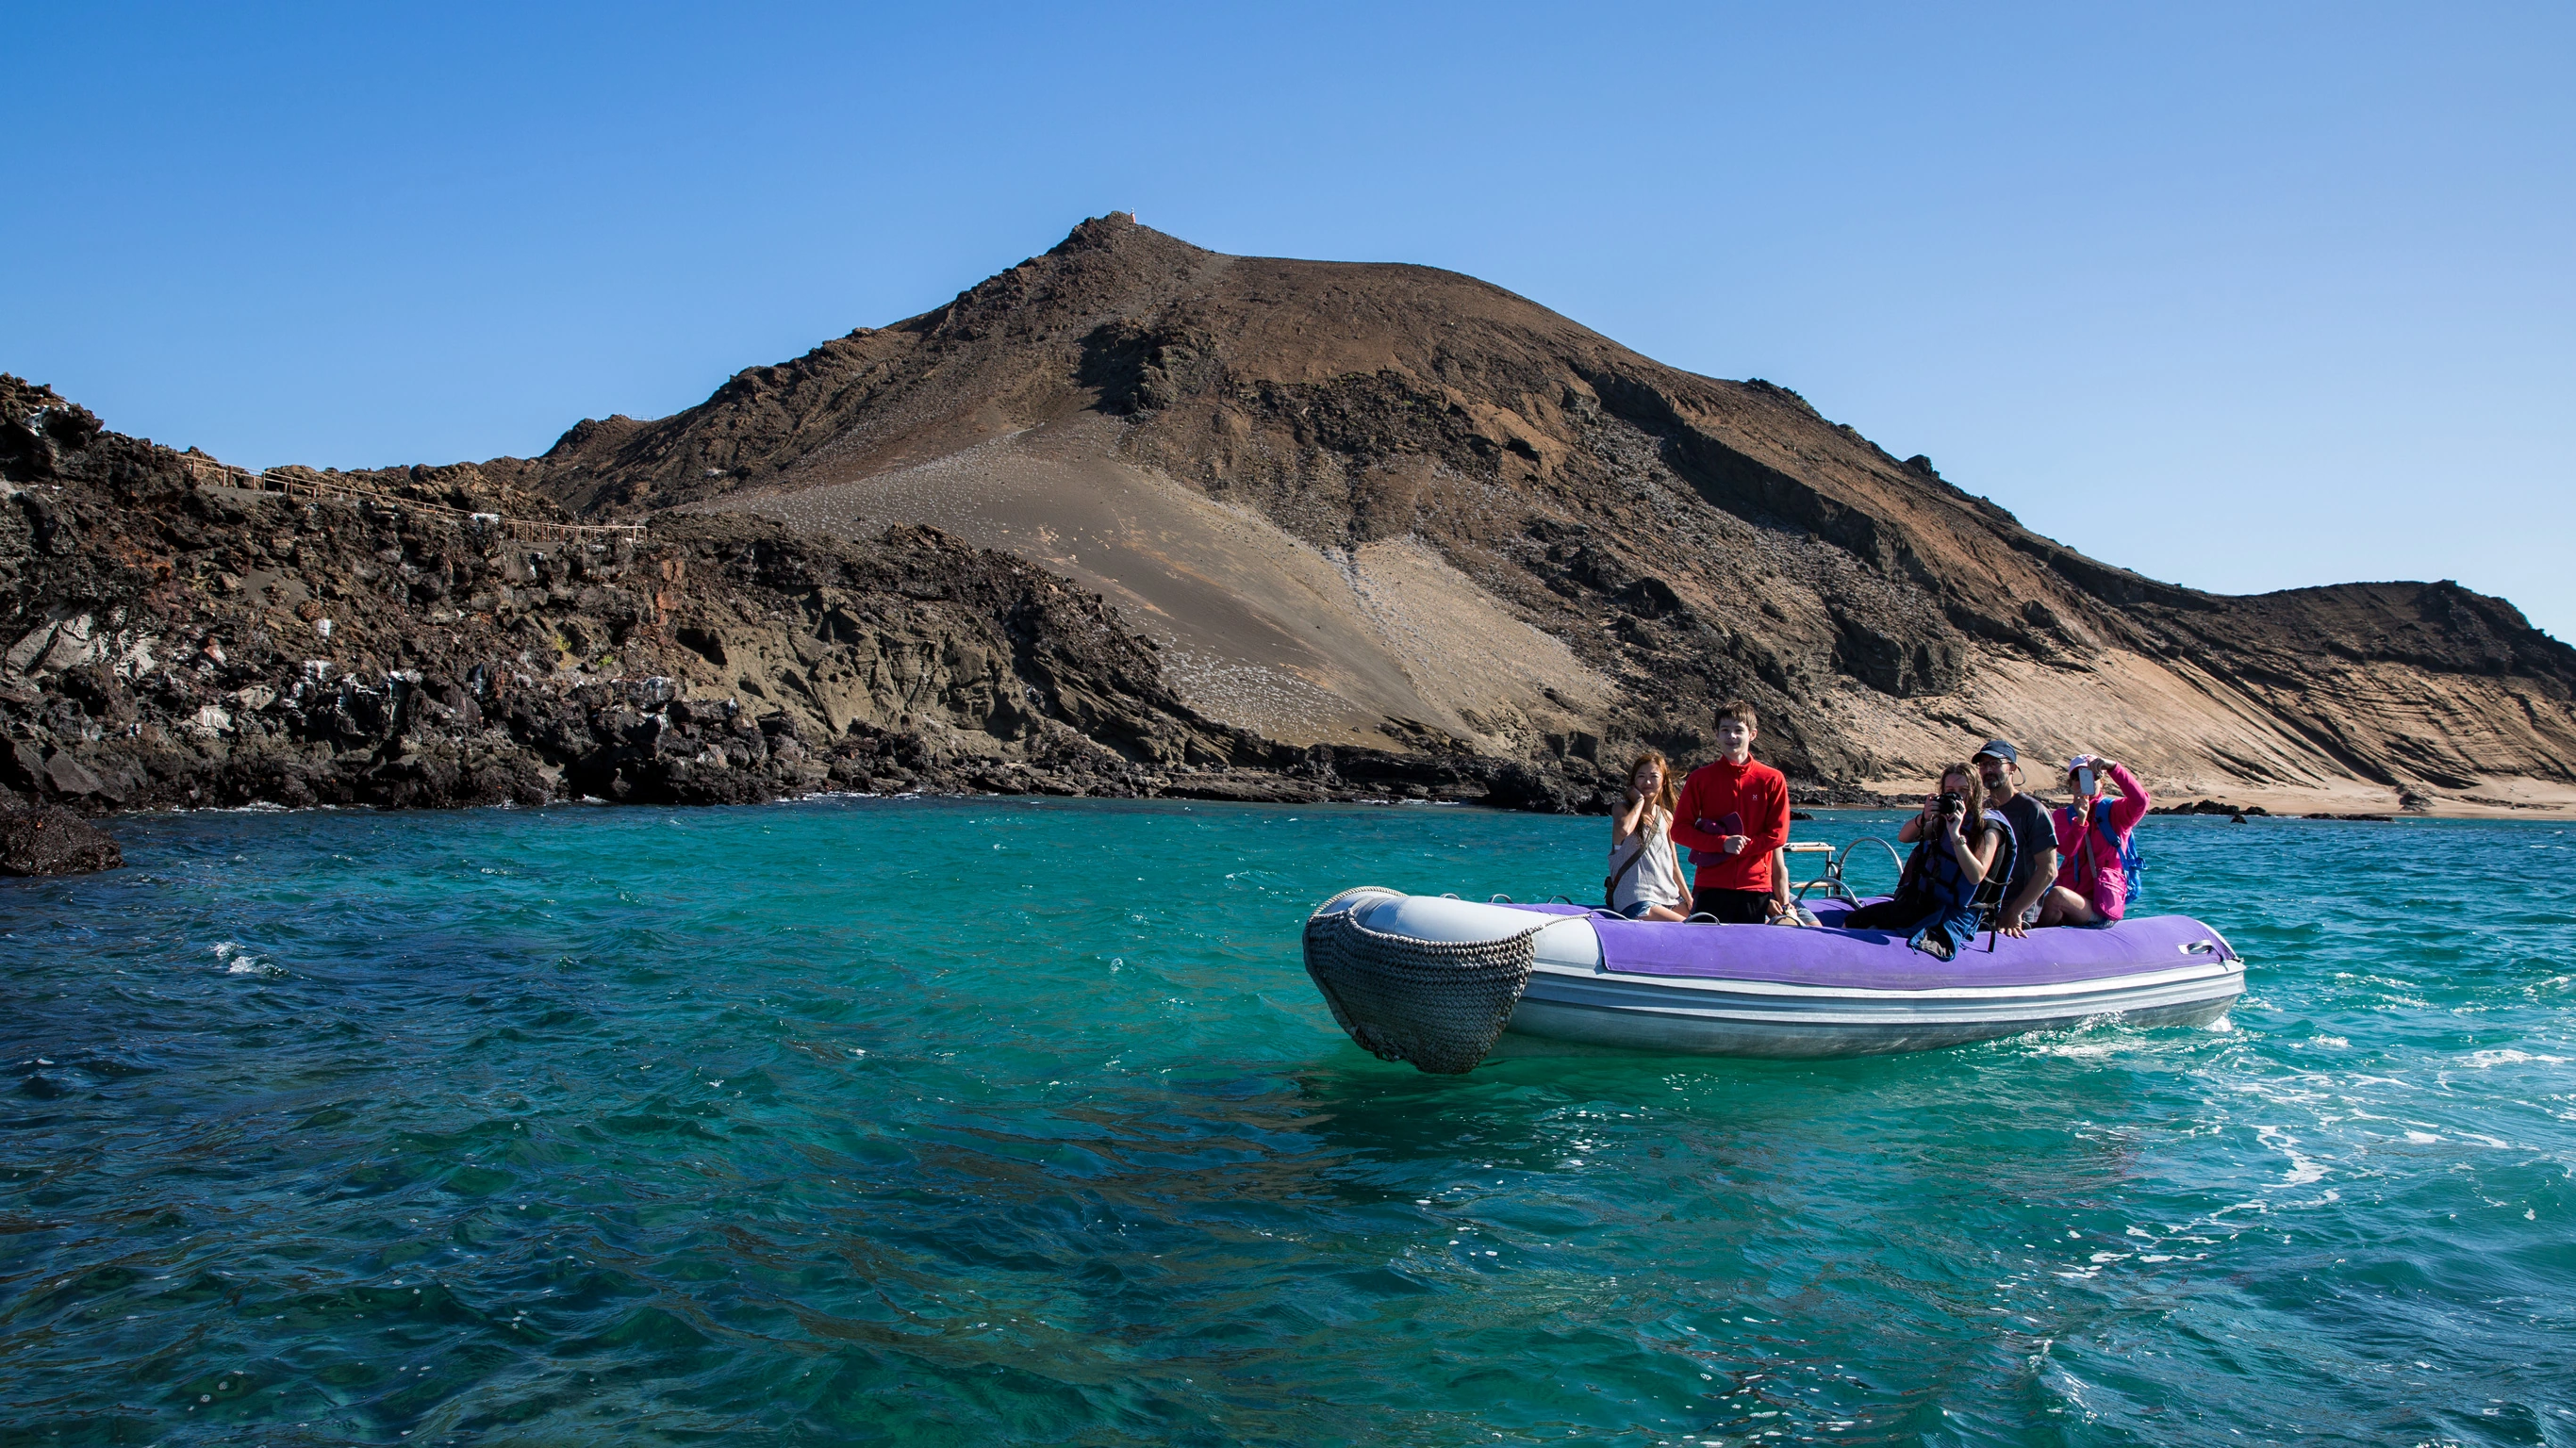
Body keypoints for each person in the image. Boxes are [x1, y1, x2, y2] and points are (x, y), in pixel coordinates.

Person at [1842, 763, 2002, 959]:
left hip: (1954, 913)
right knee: (1855, 920)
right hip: (1923, 904)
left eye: (1964, 791)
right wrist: (1925, 817)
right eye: (1950, 791)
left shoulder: (1987, 828)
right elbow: (1904, 837)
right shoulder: (1940, 821)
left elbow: (1975, 875)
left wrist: (1955, 835)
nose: (1958, 797)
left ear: (1976, 792)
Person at [1669, 701, 1792, 923]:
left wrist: (1741, 848)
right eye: (1725, 730)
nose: (1731, 736)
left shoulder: (1772, 779)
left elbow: (1778, 835)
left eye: (1738, 730)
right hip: (1710, 885)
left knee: (1749, 954)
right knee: (1705, 953)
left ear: (1752, 734)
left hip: (1754, 887)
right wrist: (1722, 844)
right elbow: (1679, 831)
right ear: (1716, 734)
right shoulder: (1700, 779)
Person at [2035, 753, 2152, 928]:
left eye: (2091, 776)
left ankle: (2036, 941)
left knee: (2057, 896)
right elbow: (2067, 850)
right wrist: (2080, 822)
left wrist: (2114, 768)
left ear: (2101, 781)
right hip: (2070, 900)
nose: (2083, 782)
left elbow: (2140, 801)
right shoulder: (2061, 816)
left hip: (2101, 907)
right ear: (2071, 784)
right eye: (2077, 777)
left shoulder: (2116, 813)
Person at [1973, 740, 2059, 939]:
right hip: (1983, 910)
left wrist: (2016, 911)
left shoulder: (2033, 811)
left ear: (2012, 768)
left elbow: (2049, 870)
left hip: (2016, 917)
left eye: (1995, 764)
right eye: (1983, 765)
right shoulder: (1982, 810)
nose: (1988, 770)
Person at [1607, 752, 1692, 921]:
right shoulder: (1621, 810)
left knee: (1708, 922)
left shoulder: (1666, 816)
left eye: (1654, 776)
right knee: (1688, 929)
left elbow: (1673, 865)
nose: (1647, 782)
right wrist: (1638, 802)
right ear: (1633, 782)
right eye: (1641, 776)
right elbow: (1624, 830)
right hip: (1637, 900)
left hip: (1669, 898)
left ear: (1663, 782)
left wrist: (1689, 899)